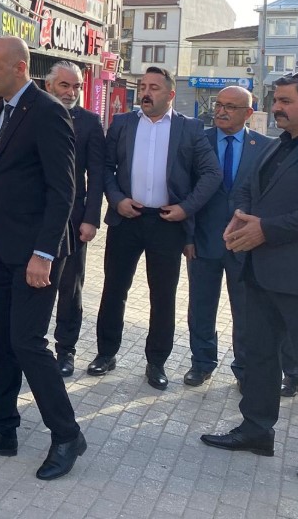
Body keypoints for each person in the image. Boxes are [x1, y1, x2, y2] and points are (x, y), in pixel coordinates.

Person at [202, 72, 298, 482]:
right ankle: (256, 430)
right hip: (261, 272)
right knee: (258, 355)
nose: (277, 108)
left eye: (286, 101)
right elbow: (248, 188)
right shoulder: (278, 145)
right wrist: (241, 217)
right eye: (276, 100)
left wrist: (265, 230)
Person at [0, 36, 83, 481]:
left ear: (20, 68)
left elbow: (63, 191)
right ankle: (2, 427)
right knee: (2, 343)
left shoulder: (48, 112)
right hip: (1, 247)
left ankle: (67, 435)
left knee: (28, 343)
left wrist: (44, 253)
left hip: (36, 254)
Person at [87, 66, 220, 390]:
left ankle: (156, 362)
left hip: (166, 223)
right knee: (114, 289)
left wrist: (185, 208)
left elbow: (211, 174)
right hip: (126, 219)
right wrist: (116, 199)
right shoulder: (122, 123)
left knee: (163, 296)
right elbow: (105, 167)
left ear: (170, 94)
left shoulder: (190, 128)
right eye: (143, 86)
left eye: (154, 88)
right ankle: (106, 353)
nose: (146, 93)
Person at [183, 86, 273, 389]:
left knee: (246, 310)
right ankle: (201, 363)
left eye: (230, 107)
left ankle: (244, 369)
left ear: (248, 113)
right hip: (203, 240)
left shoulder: (265, 146)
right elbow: (185, 189)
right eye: (219, 104)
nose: (221, 111)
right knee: (201, 306)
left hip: (245, 243)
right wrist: (188, 236)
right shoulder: (199, 141)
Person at [41, 61, 104, 377]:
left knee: (70, 287)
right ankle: (32, 345)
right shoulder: (32, 114)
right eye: (65, 85)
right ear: (49, 85)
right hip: (35, 216)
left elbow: (98, 175)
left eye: (77, 86)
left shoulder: (90, 123)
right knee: (35, 284)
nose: (71, 92)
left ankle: (66, 350)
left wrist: (91, 218)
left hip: (74, 221)